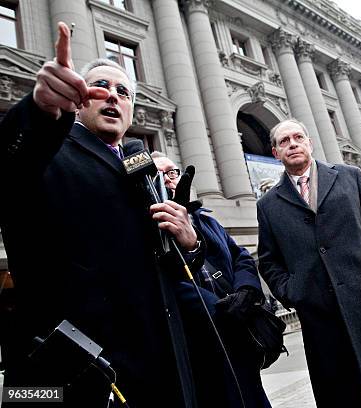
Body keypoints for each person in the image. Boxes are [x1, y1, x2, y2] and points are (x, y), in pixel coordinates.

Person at [0, 23, 203, 407]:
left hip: (160, 370)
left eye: (123, 91)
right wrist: (40, 114)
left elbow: (168, 268)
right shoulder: (48, 151)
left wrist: (190, 242)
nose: (112, 94)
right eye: (100, 88)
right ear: (78, 100)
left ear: (131, 109)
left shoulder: (141, 166)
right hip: (68, 380)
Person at [256, 118, 361, 408]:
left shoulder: (349, 176)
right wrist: (294, 292)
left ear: (310, 143)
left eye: (298, 137)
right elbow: (269, 261)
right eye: (284, 141)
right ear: (275, 153)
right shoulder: (267, 205)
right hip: (321, 317)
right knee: (344, 393)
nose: (292, 144)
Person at [152, 152, 271, 408]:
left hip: (239, 333)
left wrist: (247, 291)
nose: (170, 180)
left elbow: (241, 257)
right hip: (203, 342)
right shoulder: (150, 229)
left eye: (172, 172)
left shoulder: (205, 219)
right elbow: (168, 282)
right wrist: (218, 309)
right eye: (159, 175)